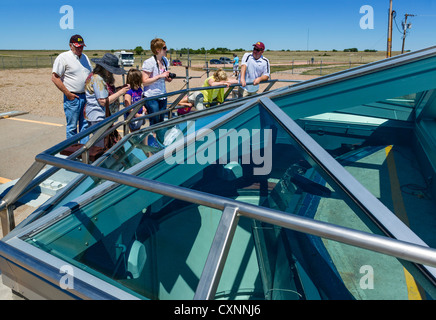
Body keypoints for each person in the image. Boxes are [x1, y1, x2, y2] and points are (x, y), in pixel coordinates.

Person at [52, 34, 92, 142]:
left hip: (86, 97)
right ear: (70, 45)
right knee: (72, 127)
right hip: (73, 98)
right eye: (77, 46)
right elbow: (55, 78)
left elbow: (90, 74)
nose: (80, 49)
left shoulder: (85, 58)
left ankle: (84, 151)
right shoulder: (63, 58)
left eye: (82, 46)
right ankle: (72, 152)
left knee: (85, 126)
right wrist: (68, 94)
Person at [84, 53, 130, 145]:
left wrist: (120, 88)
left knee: (105, 143)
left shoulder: (99, 77)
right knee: (102, 145)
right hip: (98, 117)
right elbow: (103, 101)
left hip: (101, 117)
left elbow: (106, 93)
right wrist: (120, 92)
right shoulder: (98, 79)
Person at [141, 38, 173, 125]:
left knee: (161, 121)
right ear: (158, 50)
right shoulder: (149, 63)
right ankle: (153, 137)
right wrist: (160, 76)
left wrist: (167, 77)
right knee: (155, 121)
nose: (166, 50)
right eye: (164, 48)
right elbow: (144, 82)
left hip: (163, 95)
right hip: (152, 97)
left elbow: (163, 77)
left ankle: (159, 138)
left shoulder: (165, 61)